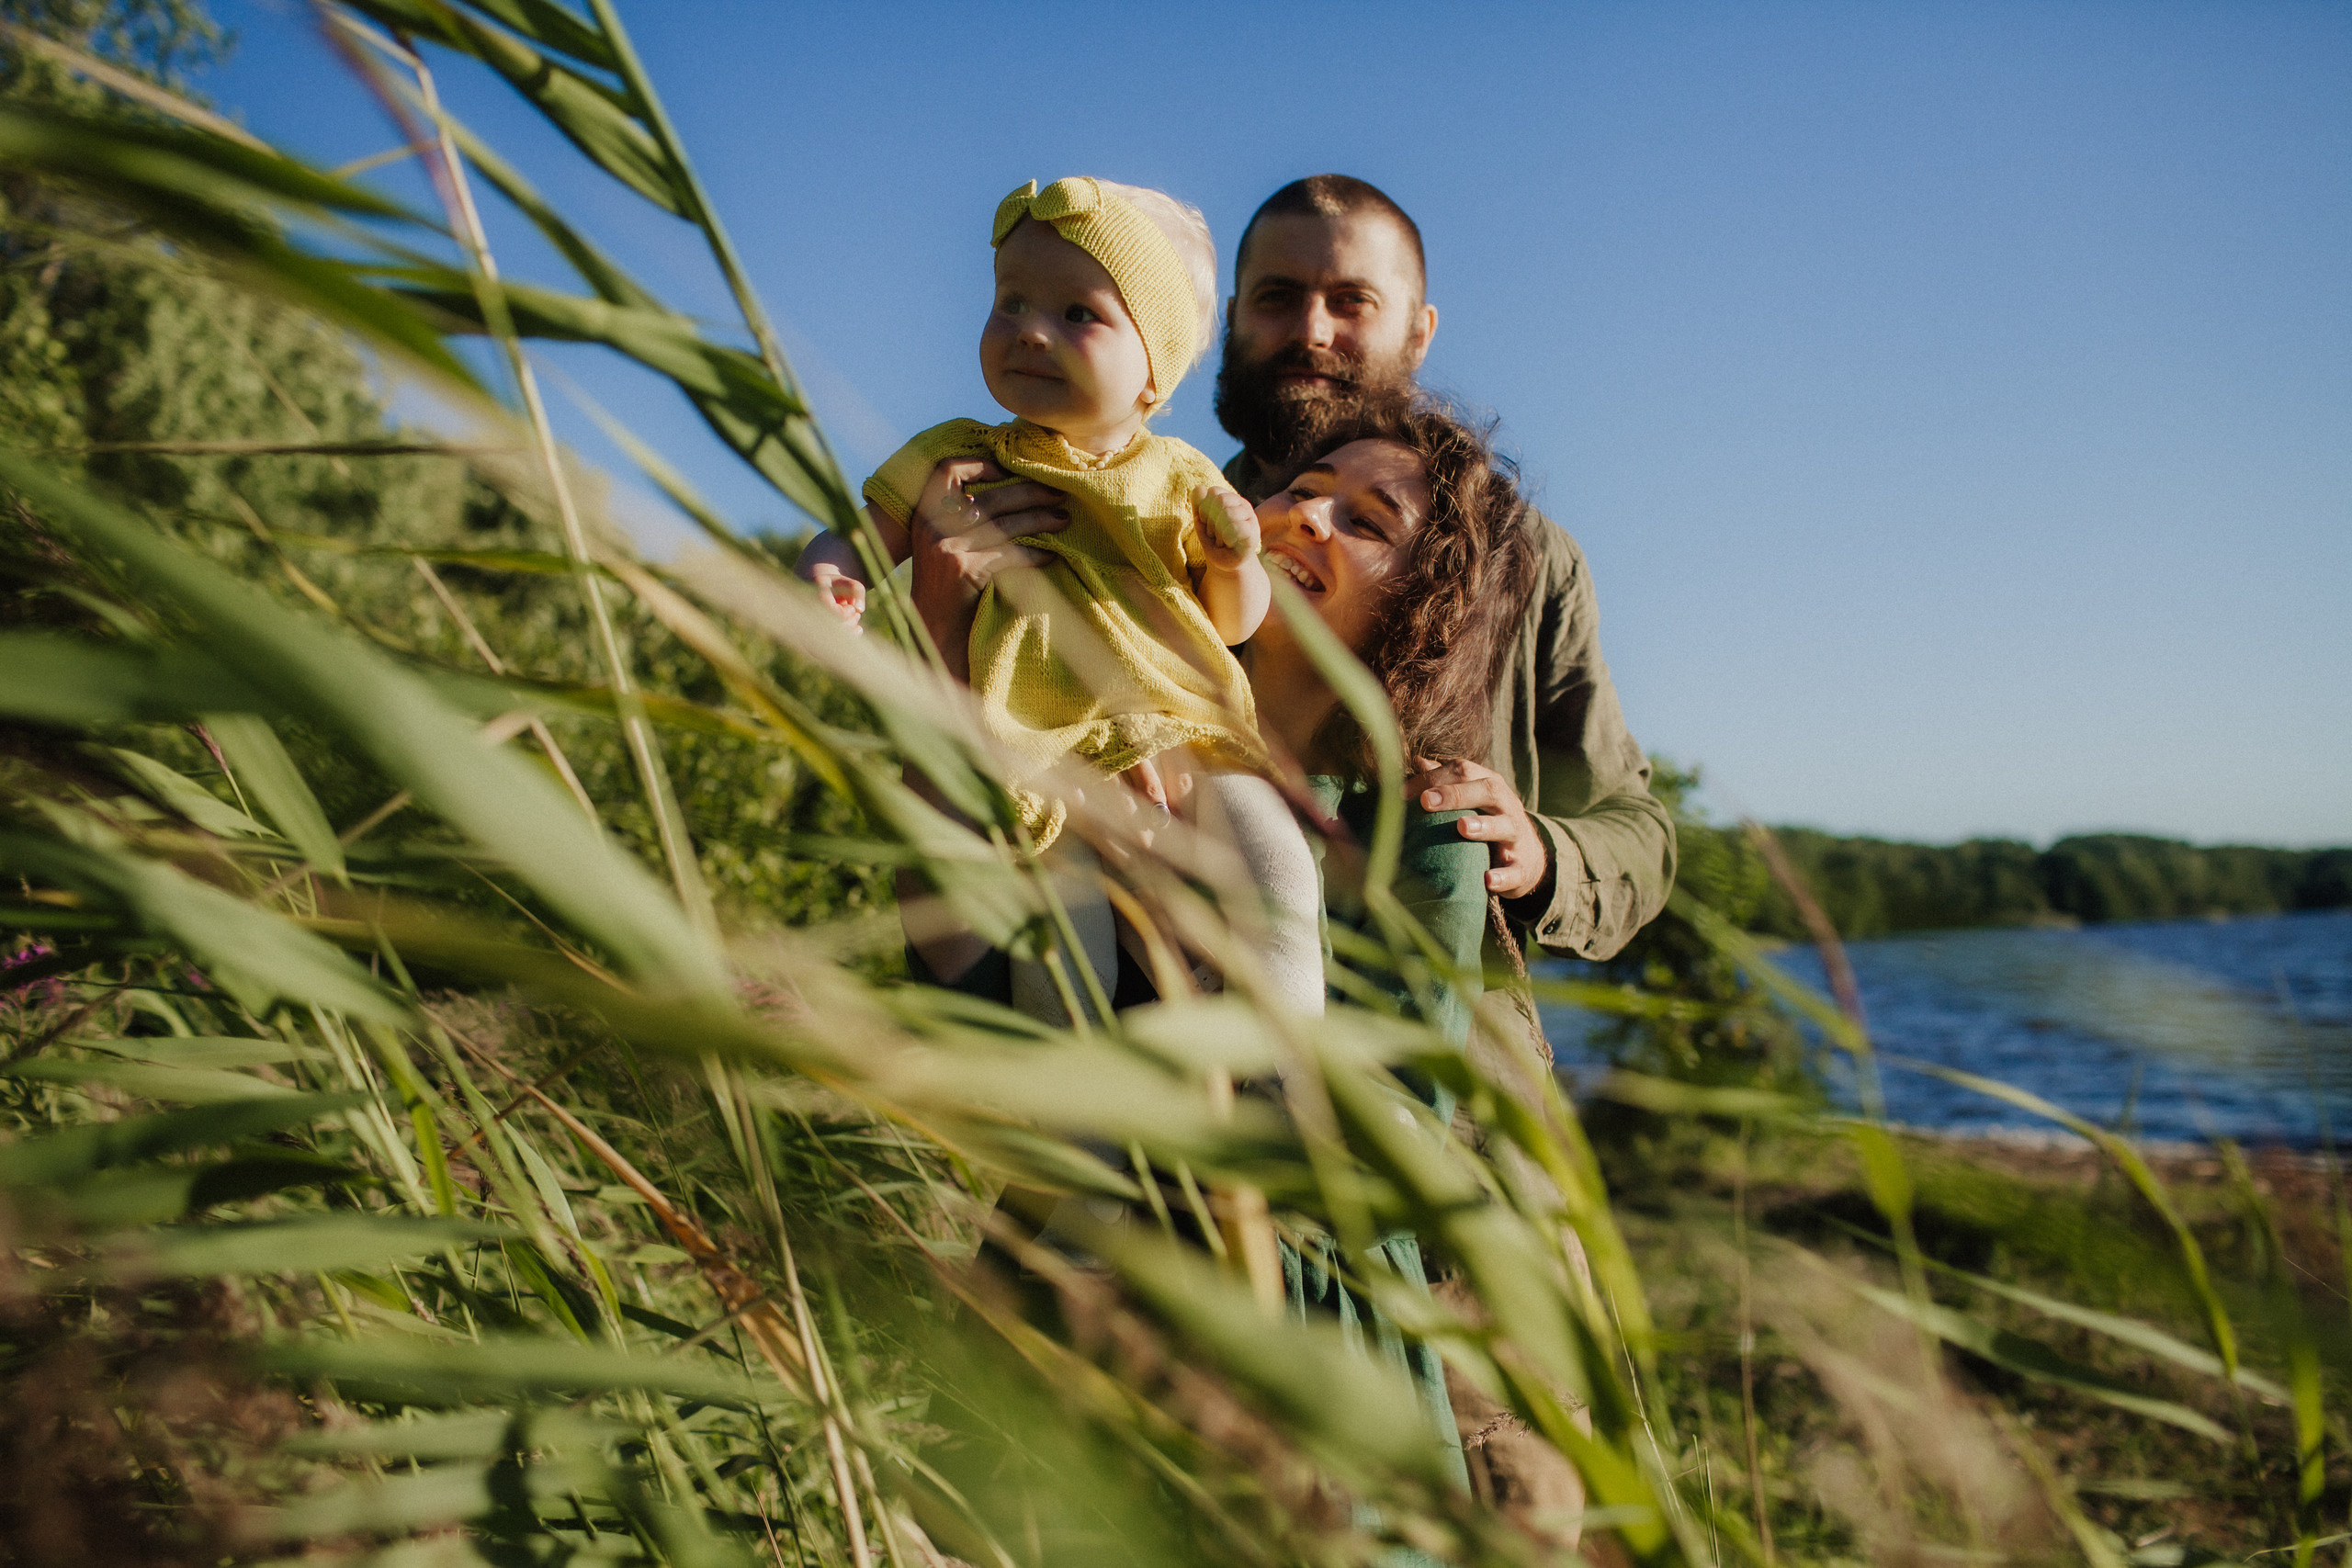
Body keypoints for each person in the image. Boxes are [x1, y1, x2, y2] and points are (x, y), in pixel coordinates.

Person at [905, 398, 1539, 1518]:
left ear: (1427, 606)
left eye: (1367, 520)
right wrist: (951, 650)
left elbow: (1374, 1160)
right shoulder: (1090, 763)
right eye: (1304, 488)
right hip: (1050, 1345)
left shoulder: (1420, 829)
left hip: (1296, 1377)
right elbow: (964, 1007)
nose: (1308, 517)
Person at [794, 176, 1322, 1021]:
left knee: (1280, 875)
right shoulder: (961, 454)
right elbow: (859, 534)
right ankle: (1090, 1141)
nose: (1029, 332)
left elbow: (1233, 624)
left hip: (1187, 741)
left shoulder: (1179, 475)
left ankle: (1290, 1074)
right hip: (1037, 757)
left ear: (1155, 370)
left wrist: (1232, 559)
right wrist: (826, 573)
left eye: (1079, 314)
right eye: (1010, 302)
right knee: (1064, 965)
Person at [1215, 175, 1674, 963]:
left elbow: (1639, 831)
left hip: (1446, 1053)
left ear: (1420, 333)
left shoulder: (1530, 560)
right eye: (1277, 297)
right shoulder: (1152, 524)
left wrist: (1539, 855)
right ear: (1231, 319)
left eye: (1351, 300)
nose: (1311, 330)